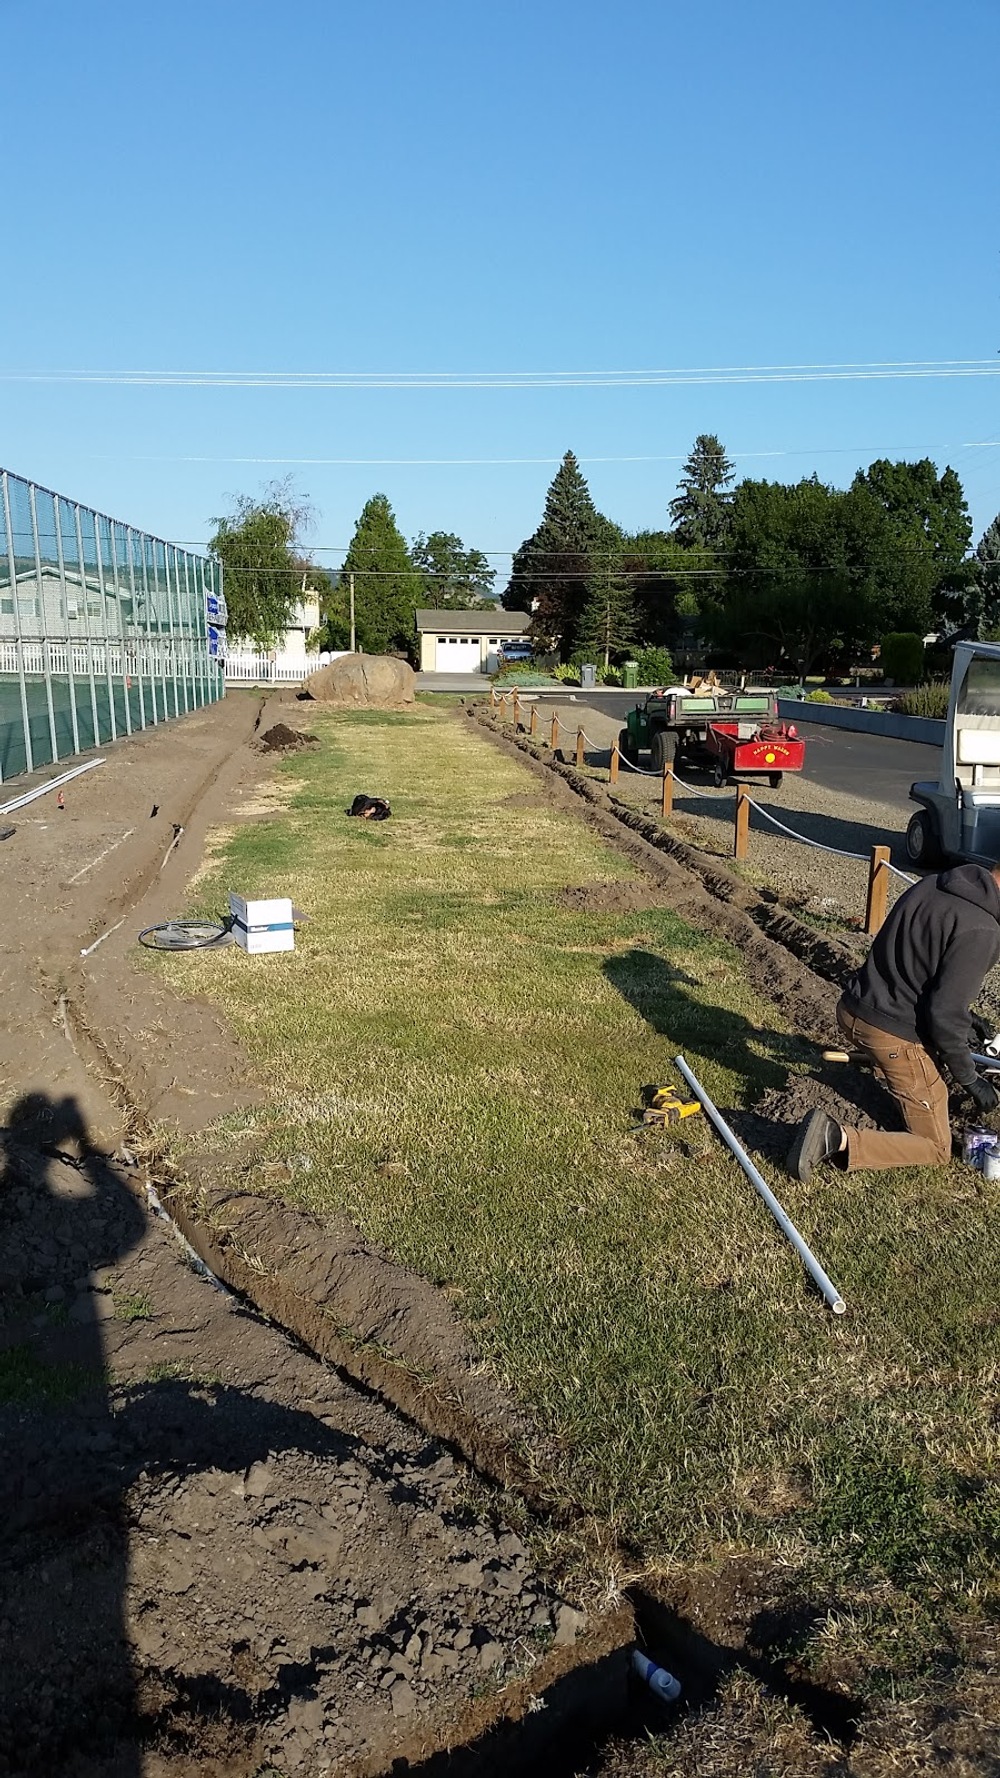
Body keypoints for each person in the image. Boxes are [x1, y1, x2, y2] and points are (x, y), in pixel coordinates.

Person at [787, 861, 1000, 1181]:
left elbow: (918, 970)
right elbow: (943, 1014)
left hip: (853, 1008)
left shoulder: (935, 884)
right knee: (936, 1146)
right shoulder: (982, 928)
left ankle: (885, 1064)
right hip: (888, 1032)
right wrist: (970, 1079)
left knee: (925, 1072)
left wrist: (964, 1021)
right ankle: (833, 1137)